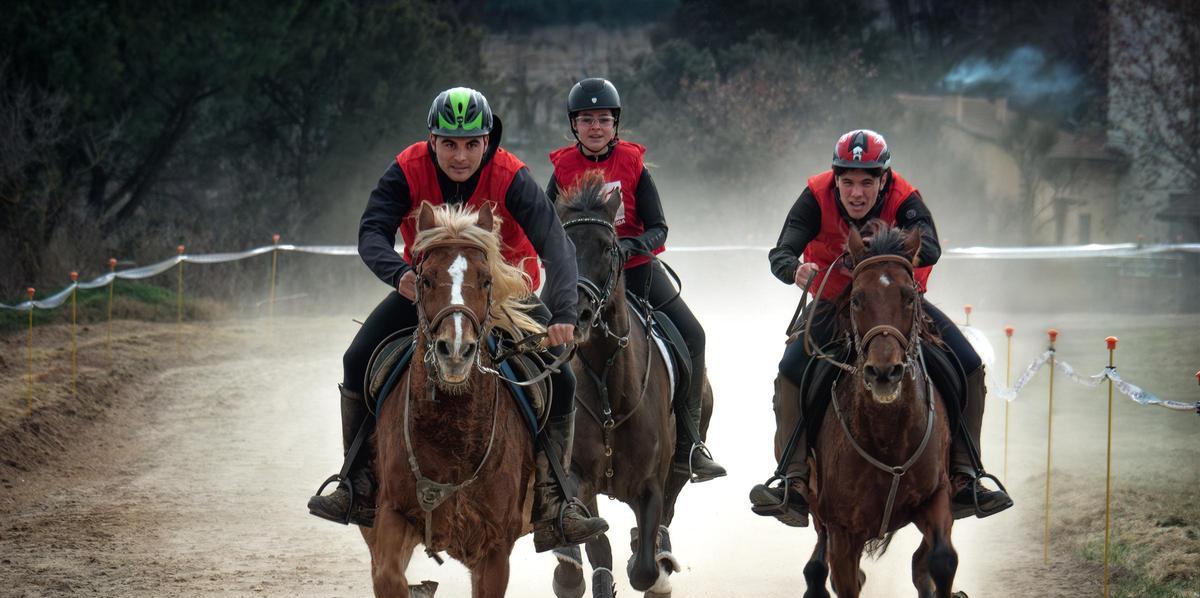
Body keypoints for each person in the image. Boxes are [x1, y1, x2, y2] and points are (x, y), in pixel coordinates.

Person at [307, 86, 608, 552]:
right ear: (432, 140)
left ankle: (555, 501)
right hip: (428, 291)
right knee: (356, 358)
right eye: (449, 143)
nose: (460, 156)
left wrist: (564, 311)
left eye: (471, 144)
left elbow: (556, 243)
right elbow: (371, 232)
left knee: (563, 378)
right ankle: (357, 484)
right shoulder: (407, 168)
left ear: (487, 142)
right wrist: (400, 276)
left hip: (503, 292)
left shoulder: (511, 175)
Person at [749, 129, 1012, 525]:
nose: (856, 193)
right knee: (790, 369)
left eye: (867, 183)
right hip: (835, 302)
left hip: (895, 307)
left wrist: (881, 249)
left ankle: (965, 474)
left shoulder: (904, 198)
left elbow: (932, 246)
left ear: (883, 180)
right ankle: (793, 479)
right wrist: (794, 270)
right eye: (848, 182)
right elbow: (780, 253)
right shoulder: (815, 195)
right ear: (835, 178)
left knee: (969, 363)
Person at [545, 77, 725, 483]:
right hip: (582, 277)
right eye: (586, 119)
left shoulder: (632, 164)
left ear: (615, 124)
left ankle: (690, 443)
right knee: (538, 338)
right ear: (574, 125)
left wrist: (631, 246)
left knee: (693, 336)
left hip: (636, 270)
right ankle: (544, 447)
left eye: (603, 119)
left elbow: (659, 227)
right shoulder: (562, 170)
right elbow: (545, 225)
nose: (595, 127)